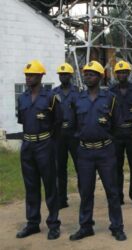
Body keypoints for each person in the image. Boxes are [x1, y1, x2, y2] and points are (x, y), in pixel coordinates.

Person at [69, 61, 126, 241]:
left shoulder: (110, 98)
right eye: (86, 74)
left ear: (101, 77)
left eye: (92, 74)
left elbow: (117, 125)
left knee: (112, 190)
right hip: (85, 152)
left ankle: (117, 226)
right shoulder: (78, 99)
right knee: (85, 191)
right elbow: (72, 125)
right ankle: (86, 226)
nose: (88, 77)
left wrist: (106, 141)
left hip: (105, 152)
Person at [16, 60, 61, 240]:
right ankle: (33, 223)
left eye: (32, 75)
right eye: (27, 75)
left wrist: (49, 142)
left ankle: (53, 224)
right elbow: (22, 120)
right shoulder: (22, 98)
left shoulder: (50, 98)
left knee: (50, 185)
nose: (28, 78)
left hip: (45, 145)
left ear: (41, 76)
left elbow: (58, 122)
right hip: (27, 146)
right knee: (31, 186)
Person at [109, 60, 132, 208]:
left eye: (124, 72)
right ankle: (118, 196)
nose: (122, 74)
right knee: (117, 166)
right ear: (116, 74)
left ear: (129, 74)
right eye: (119, 72)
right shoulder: (111, 91)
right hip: (117, 133)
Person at [53, 63, 80, 209]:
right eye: (60, 74)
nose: (63, 76)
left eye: (65, 74)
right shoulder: (53, 93)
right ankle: (61, 199)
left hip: (74, 135)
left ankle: (84, 196)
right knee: (59, 168)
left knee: (79, 167)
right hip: (58, 136)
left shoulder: (77, 92)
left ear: (71, 76)